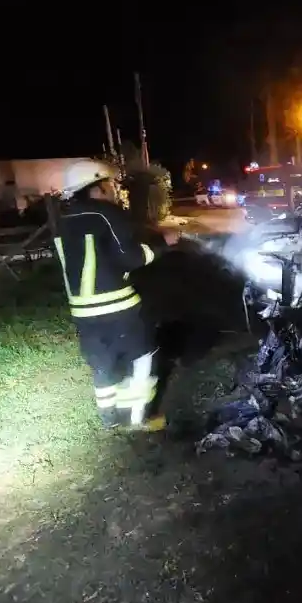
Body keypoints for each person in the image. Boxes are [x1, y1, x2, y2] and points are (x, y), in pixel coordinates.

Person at [53, 159, 180, 431]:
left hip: (82, 311)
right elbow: (130, 257)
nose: (113, 189)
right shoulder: (104, 213)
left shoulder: (63, 219)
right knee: (143, 355)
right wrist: (163, 244)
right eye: (109, 184)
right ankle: (139, 418)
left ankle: (108, 418)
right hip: (117, 305)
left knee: (102, 363)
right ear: (96, 187)